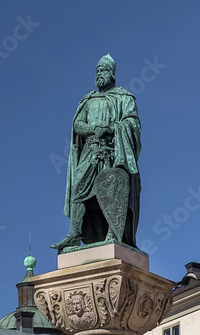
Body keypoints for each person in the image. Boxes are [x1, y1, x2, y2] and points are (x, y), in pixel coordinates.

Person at [52, 54, 141, 251]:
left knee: (111, 191)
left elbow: (132, 124)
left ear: (112, 74)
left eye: (104, 70)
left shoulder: (124, 97)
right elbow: (77, 124)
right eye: (98, 71)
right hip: (90, 150)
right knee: (78, 188)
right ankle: (74, 234)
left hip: (112, 151)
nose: (100, 74)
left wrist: (110, 128)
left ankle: (113, 232)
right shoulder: (88, 99)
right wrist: (93, 130)